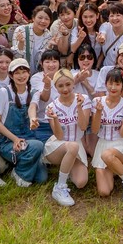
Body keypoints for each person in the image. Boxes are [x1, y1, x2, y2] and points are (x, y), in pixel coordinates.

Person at [0, 57, 47, 187]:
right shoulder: (4, 92)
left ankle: (17, 166)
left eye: (24, 72)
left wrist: (33, 119)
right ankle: (20, 173)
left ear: (29, 73)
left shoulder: (33, 92)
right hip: (7, 142)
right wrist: (15, 139)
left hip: (27, 140)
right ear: (11, 75)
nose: (21, 76)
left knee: (41, 177)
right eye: (17, 73)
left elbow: (32, 107)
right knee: (38, 146)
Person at [42, 69, 91, 207]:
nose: (65, 89)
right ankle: (60, 187)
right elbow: (59, 136)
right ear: (55, 87)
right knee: (73, 146)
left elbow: (82, 127)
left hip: (75, 145)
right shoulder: (52, 107)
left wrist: (79, 107)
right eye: (60, 86)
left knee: (81, 182)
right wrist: (56, 119)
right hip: (58, 145)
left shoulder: (84, 99)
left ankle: (67, 170)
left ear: (73, 84)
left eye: (68, 84)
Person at [90, 68, 123, 201]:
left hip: (120, 145)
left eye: (117, 84)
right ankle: (114, 170)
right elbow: (94, 130)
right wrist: (98, 112)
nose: (113, 87)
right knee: (104, 191)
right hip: (103, 143)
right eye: (110, 83)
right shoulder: (97, 102)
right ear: (105, 84)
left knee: (107, 155)